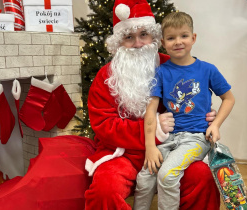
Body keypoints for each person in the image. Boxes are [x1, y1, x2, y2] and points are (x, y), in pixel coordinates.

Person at [84, 0, 221, 209]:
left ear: (154, 37)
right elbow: (103, 125)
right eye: (129, 37)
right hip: (123, 153)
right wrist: (153, 129)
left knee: (202, 178)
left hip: (173, 148)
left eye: (143, 35)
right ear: (118, 43)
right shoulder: (105, 77)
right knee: (105, 189)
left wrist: (205, 115)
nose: (138, 43)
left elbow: (193, 98)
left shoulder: (172, 64)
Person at [133, 12, 235, 210]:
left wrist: (215, 124)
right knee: (145, 177)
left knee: (167, 175)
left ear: (193, 38)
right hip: (169, 138)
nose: (178, 42)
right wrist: (150, 147)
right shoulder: (161, 72)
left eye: (184, 36)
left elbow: (229, 98)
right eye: (171, 38)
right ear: (163, 42)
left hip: (196, 138)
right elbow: (151, 110)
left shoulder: (208, 70)